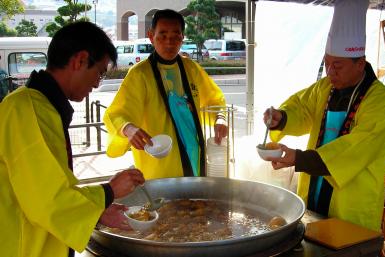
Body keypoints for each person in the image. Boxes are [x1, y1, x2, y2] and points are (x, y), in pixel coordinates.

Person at [0, 21, 145, 257]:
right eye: (99, 72)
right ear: (79, 60)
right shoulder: (26, 109)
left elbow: (50, 185)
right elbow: (48, 199)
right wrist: (108, 191)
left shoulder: (42, 107)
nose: (98, 83)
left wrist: (98, 211)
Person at [262, 0, 385, 231]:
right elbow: (301, 109)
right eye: (326, 63)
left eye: (338, 65)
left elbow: (353, 149)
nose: (330, 72)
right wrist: (281, 118)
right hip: (315, 199)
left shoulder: (380, 102)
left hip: (352, 209)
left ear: (360, 64)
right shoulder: (325, 87)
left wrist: (298, 158)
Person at [103, 9, 228, 179]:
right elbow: (117, 113)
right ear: (151, 36)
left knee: (197, 203)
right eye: (162, 35)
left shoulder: (191, 68)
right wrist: (128, 128)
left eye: (176, 36)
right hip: (159, 167)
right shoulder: (139, 74)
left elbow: (214, 99)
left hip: (194, 157)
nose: (169, 42)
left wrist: (220, 117)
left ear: (182, 37)